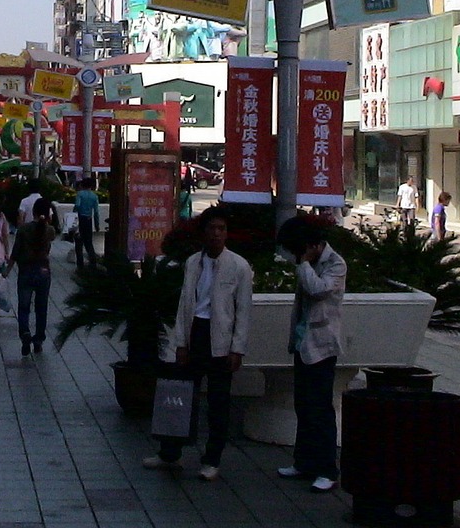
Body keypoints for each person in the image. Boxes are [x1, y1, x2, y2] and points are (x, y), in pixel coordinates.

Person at [144, 209, 253, 482]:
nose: (217, 234)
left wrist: (236, 348)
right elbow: (184, 303)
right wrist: (180, 343)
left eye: (222, 229)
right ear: (203, 233)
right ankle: (170, 453)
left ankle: (212, 458)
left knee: (218, 403)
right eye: (212, 228)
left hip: (220, 340)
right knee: (179, 397)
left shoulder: (239, 266)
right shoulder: (193, 262)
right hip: (195, 333)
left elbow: (244, 311)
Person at [277, 216, 348, 493]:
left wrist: (305, 262)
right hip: (303, 343)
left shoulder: (335, 264)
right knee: (303, 406)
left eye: (299, 251)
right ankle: (304, 462)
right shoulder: (308, 262)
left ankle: (327, 468)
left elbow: (317, 290)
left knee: (320, 409)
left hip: (322, 346)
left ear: (311, 245)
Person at [7, 197, 56, 356]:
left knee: (24, 306)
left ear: (33, 211)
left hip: (26, 271)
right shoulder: (49, 230)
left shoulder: (23, 229)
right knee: (41, 307)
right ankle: (39, 339)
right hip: (43, 271)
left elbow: (15, 252)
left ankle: (25, 334)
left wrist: (7, 270)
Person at [73, 177, 100, 268]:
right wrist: (97, 225)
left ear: (82, 185)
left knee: (79, 243)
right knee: (89, 243)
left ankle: (80, 264)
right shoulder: (94, 196)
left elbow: (77, 205)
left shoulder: (80, 194)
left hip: (80, 219)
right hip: (89, 220)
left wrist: (73, 215)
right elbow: (96, 212)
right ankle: (93, 262)